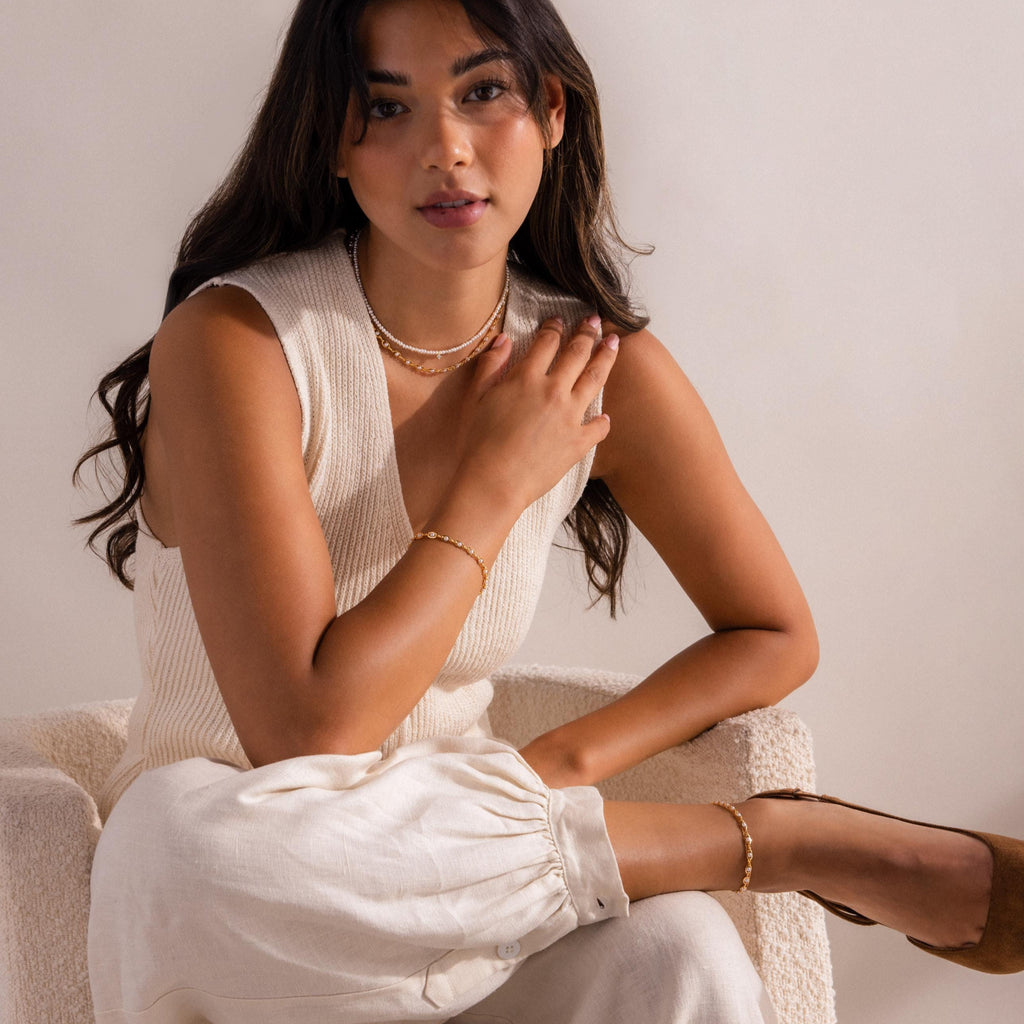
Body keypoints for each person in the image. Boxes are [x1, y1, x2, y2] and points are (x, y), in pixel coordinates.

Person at [75, 1, 1023, 1021]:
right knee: (186, 848)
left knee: (681, 947)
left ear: (552, 112)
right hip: (258, 891)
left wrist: (560, 764)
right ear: (333, 145)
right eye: (385, 109)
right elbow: (310, 734)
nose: (444, 148)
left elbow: (773, 631)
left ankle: (624, 849)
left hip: (488, 881)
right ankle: (778, 842)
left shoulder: (594, 364)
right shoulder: (238, 342)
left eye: (483, 92)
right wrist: (495, 481)